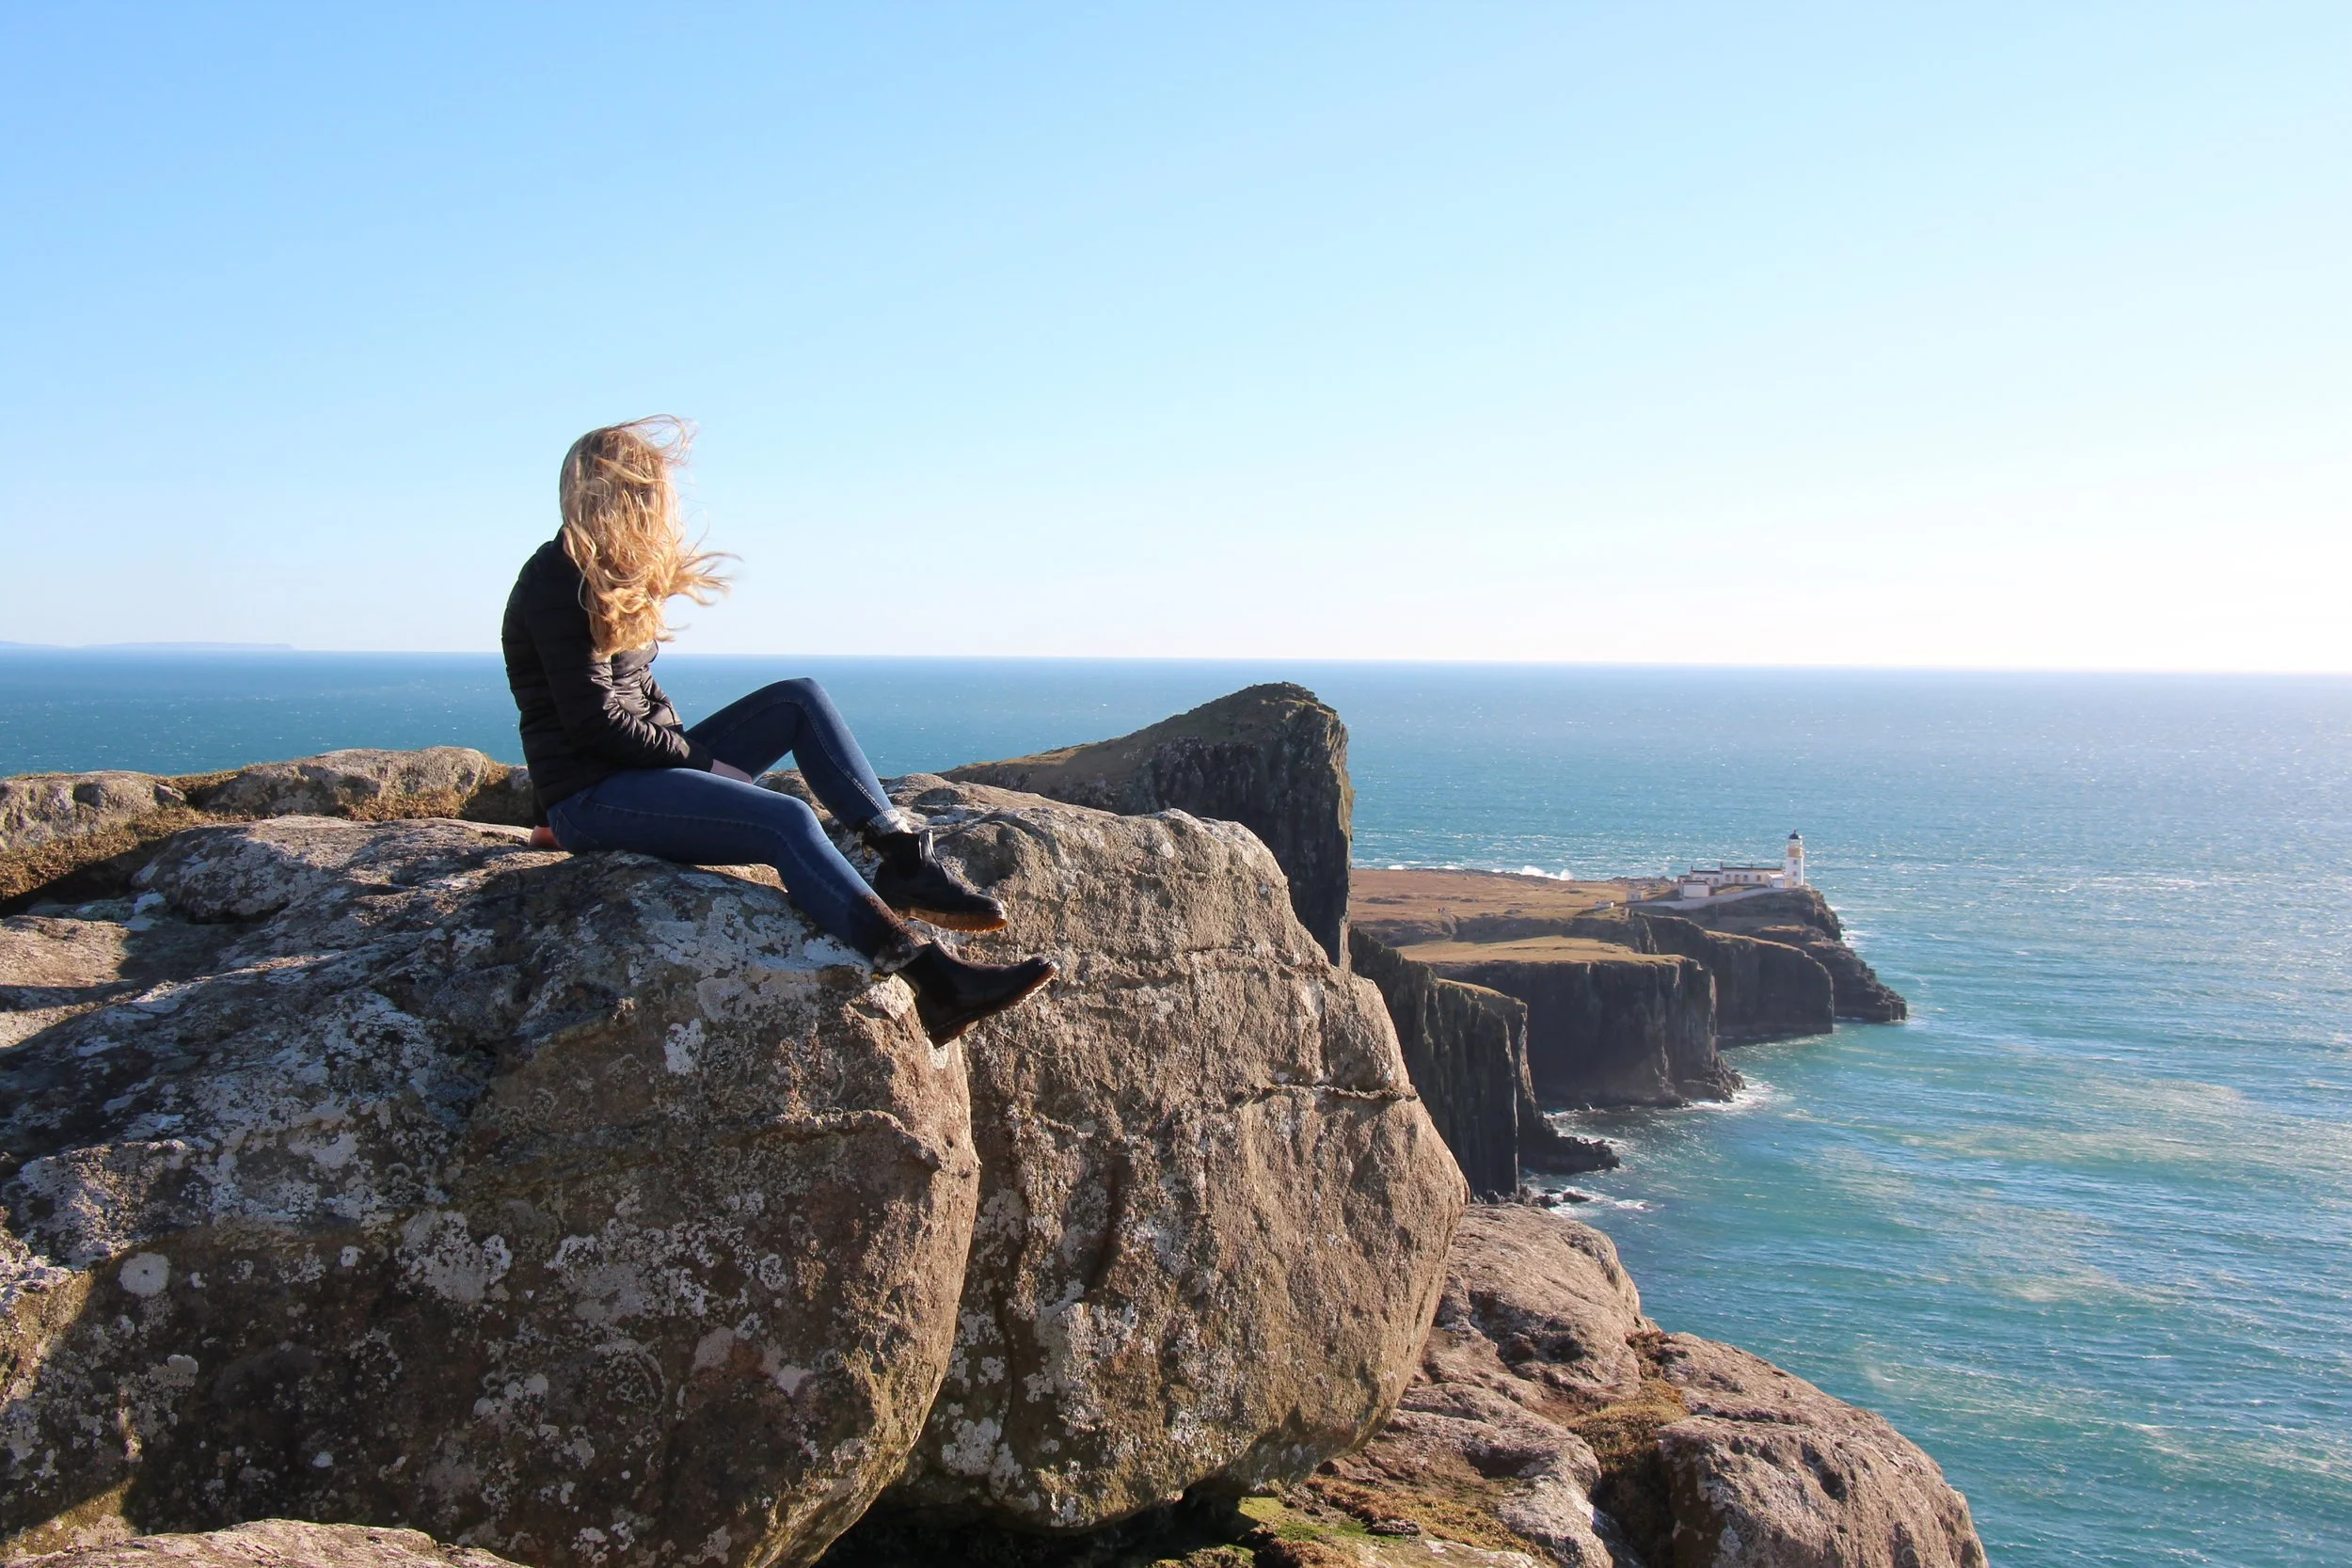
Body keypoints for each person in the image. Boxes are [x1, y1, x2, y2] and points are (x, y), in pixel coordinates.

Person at [501, 417, 1057, 1043]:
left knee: (799, 699)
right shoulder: (555, 579)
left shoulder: (602, 575)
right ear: (623, 496)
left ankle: (903, 861)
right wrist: (704, 766)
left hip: (637, 774)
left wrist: (695, 761)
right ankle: (933, 981)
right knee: (784, 821)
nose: (666, 508)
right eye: (656, 493)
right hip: (594, 793)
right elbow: (591, 721)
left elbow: (641, 692)